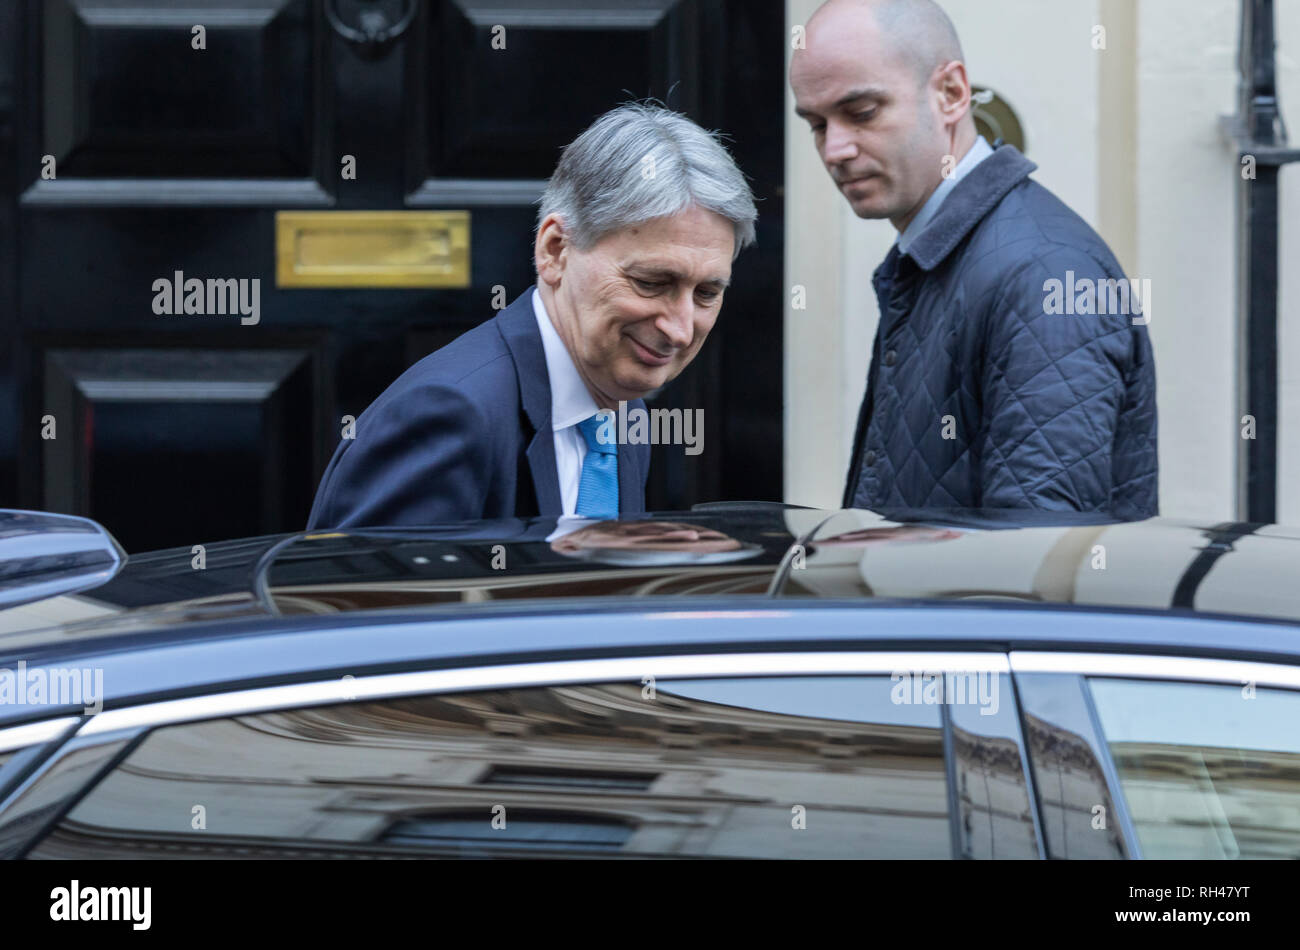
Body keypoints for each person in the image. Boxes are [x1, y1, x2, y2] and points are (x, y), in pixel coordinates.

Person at [307, 103, 756, 529]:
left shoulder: (619, 407)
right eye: (651, 282)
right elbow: (367, 607)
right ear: (555, 250)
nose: (678, 329)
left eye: (706, 293)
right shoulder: (449, 416)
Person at [790, 0, 1157, 518]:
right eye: (816, 124)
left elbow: (1037, 556)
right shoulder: (943, 256)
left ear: (951, 94)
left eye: (861, 113)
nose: (835, 150)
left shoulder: (1047, 273)